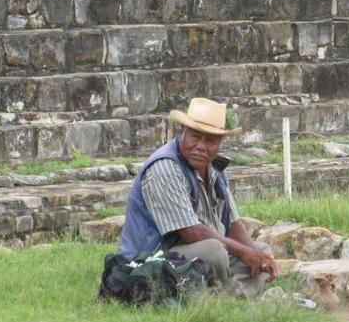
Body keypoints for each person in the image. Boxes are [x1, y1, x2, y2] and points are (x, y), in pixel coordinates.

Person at [117, 97, 278, 297]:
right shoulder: (165, 167)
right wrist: (244, 253)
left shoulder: (215, 169)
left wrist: (255, 253)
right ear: (181, 133)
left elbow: (232, 223)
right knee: (214, 251)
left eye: (210, 140)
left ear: (219, 143)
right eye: (195, 137)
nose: (201, 146)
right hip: (153, 259)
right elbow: (190, 232)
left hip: (195, 252)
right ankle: (230, 294)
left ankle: (224, 294)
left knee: (262, 249)